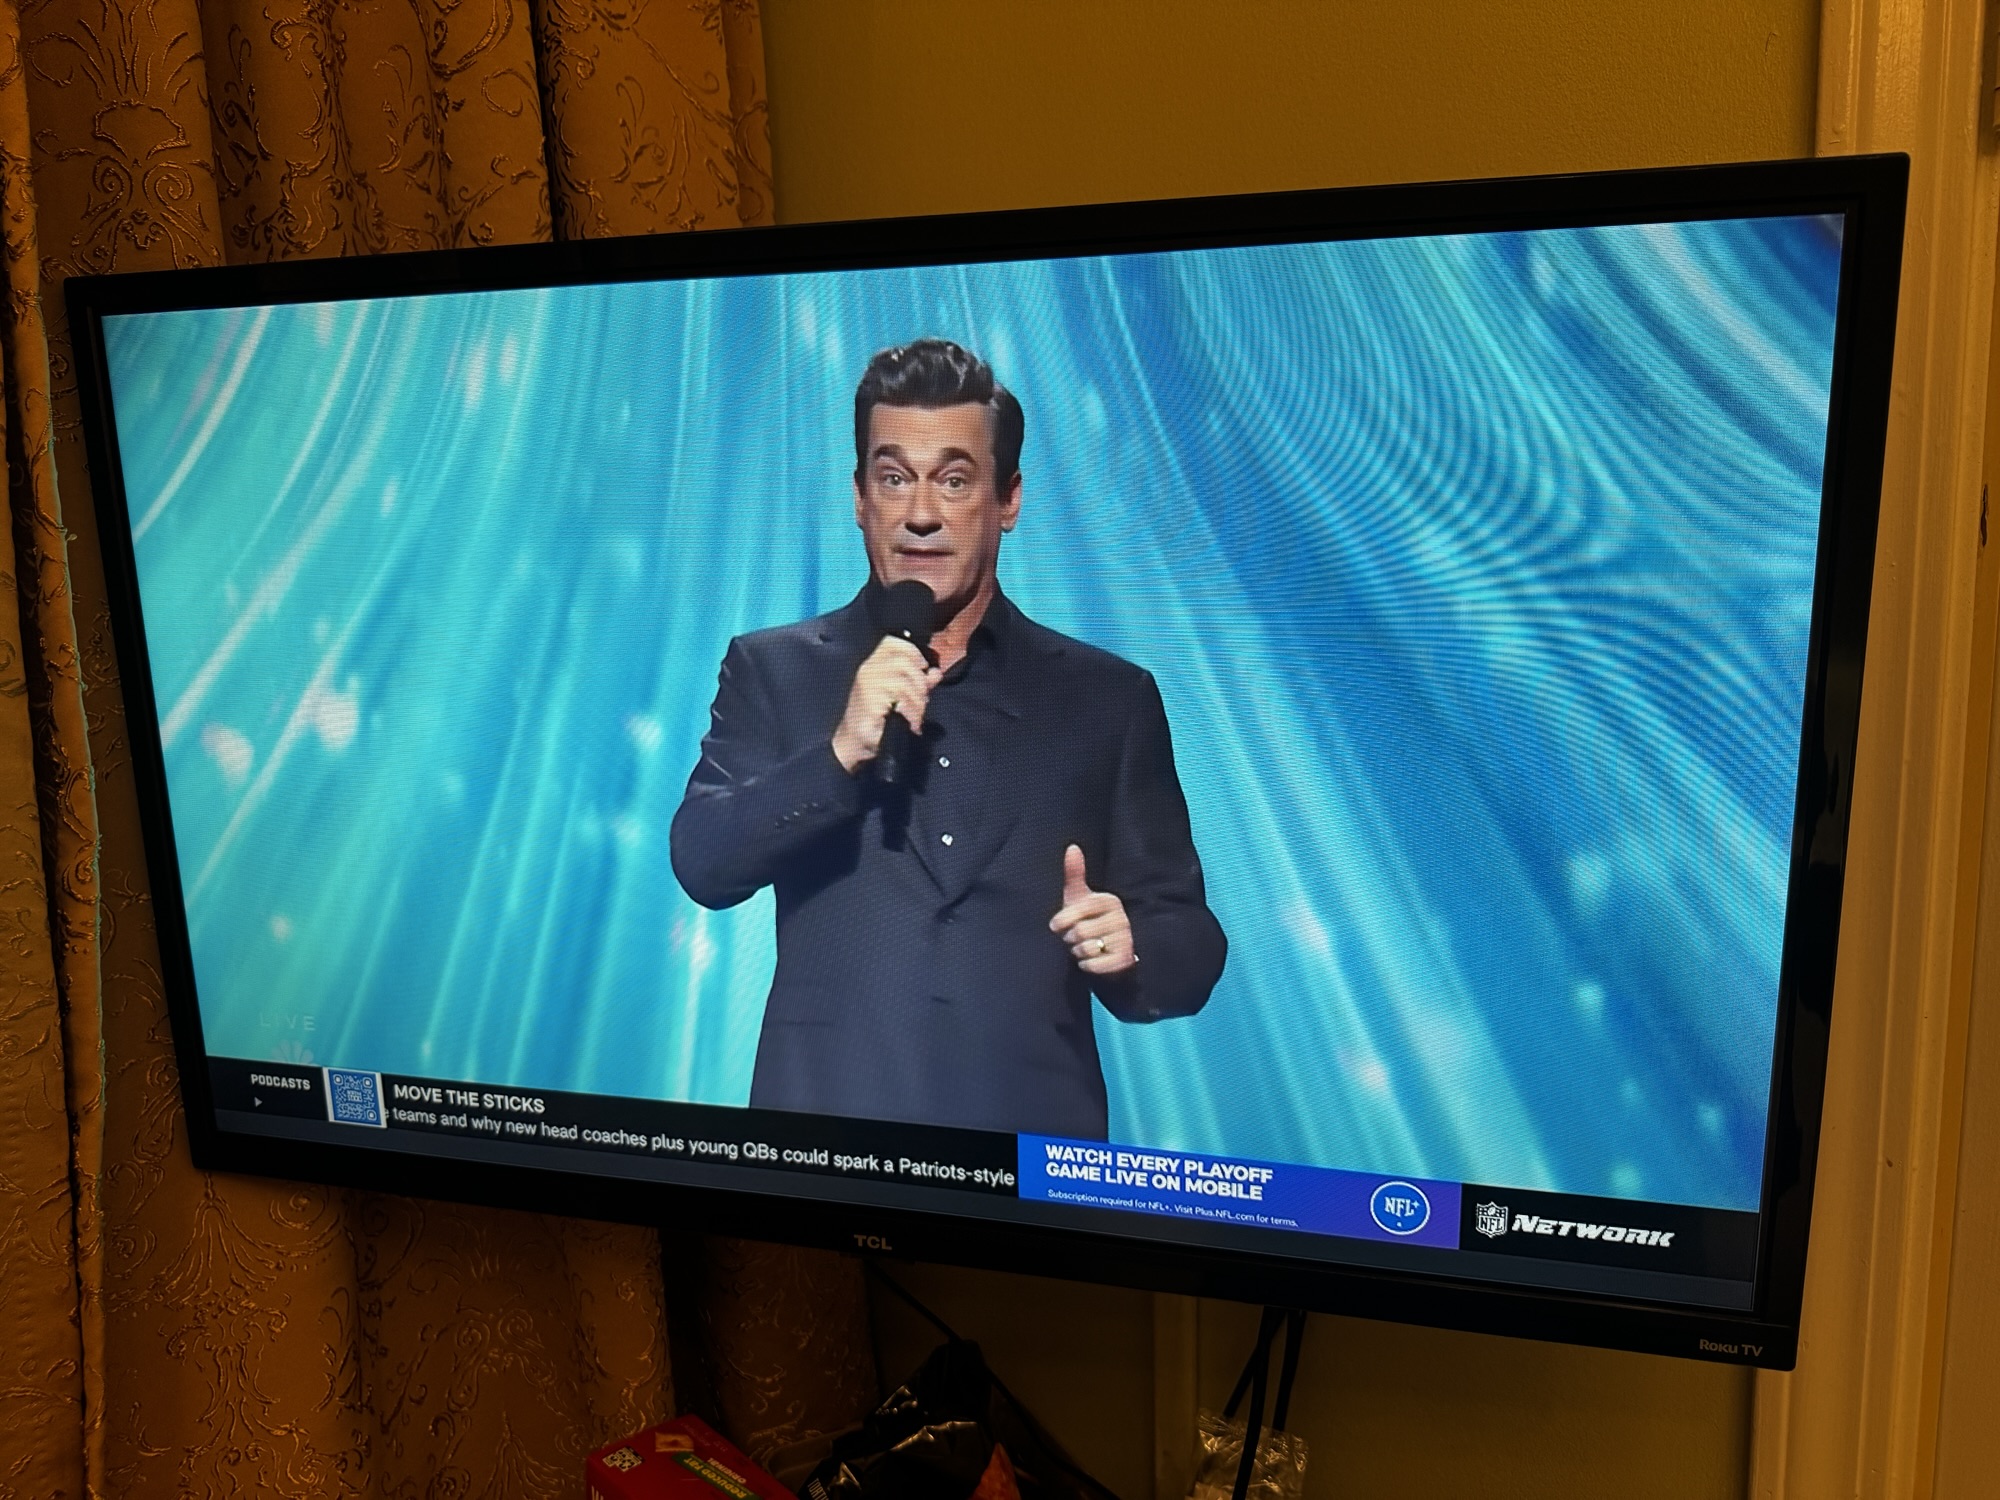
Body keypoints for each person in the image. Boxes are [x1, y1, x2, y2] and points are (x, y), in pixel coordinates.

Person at [670, 338, 1226, 1140]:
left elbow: (1189, 937)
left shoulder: (1108, 699)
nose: (921, 514)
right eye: (894, 478)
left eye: (955, 480)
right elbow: (702, 859)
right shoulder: (774, 670)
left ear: (1009, 500)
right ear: (860, 497)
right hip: (823, 1161)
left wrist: (1132, 946)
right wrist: (838, 755)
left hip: (1030, 1170)